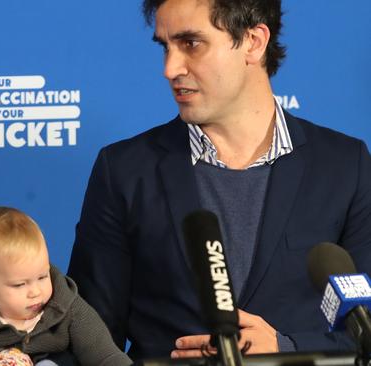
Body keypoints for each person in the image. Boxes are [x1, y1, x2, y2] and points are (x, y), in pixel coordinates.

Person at [68, 0, 371, 361]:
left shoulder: (344, 165)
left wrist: (285, 348)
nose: (170, 68)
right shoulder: (123, 170)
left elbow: (364, 330)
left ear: (253, 42)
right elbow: (90, 336)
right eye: (165, 47)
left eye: (191, 44)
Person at [0, 207, 132, 366]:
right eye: (20, 284)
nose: (35, 292)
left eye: (42, 276)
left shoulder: (67, 307)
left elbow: (105, 355)